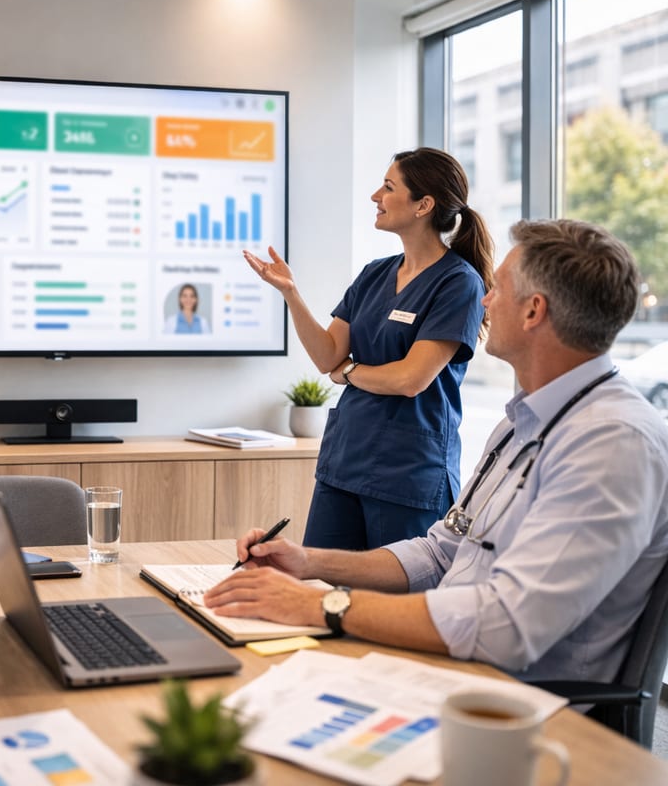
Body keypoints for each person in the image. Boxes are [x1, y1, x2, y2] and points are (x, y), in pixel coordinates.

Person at [208, 218, 668, 684]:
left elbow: (506, 626)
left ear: (533, 312)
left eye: (498, 289)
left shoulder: (613, 443)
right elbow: (441, 554)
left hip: (514, 708)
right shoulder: (521, 423)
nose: (484, 300)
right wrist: (309, 564)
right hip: (449, 672)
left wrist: (321, 603)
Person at [244, 148, 492, 550]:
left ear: (423, 205)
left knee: (394, 604)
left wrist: (350, 373)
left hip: (408, 474)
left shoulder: (458, 283)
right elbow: (327, 356)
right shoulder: (376, 272)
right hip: (345, 463)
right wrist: (291, 294)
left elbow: (411, 379)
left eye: (389, 187)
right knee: (321, 592)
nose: (375, 196)